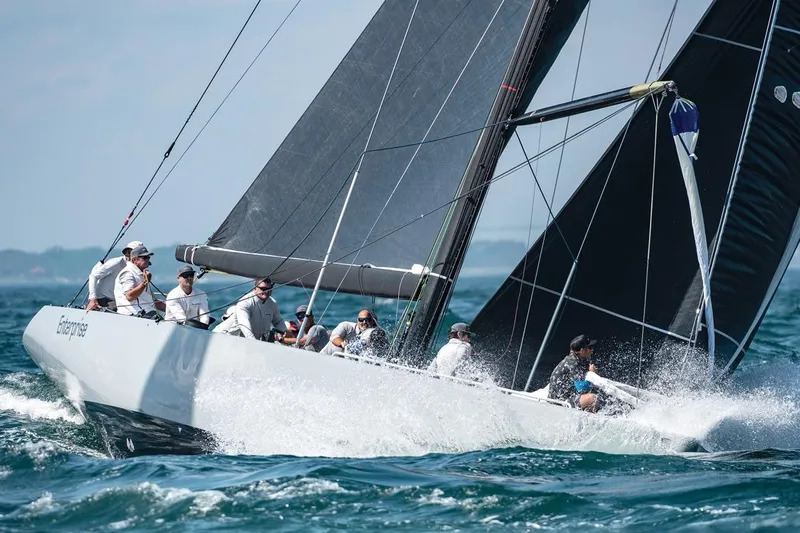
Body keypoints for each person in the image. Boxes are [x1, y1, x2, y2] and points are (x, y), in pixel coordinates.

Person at [213, 277, 287, 341]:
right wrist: (255, 345)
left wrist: (283, 333)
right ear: (254, 289)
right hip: (222, 338)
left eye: (269, 288)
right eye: (263, 289)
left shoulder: (272, 303)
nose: (266, 291)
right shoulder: (244, 303)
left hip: (245, 342)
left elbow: (278, 321)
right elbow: (245, 328)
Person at [548, 334, 599, 412]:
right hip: (558, 402)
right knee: (592, 399)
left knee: (598, 396)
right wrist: (592, 374)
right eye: (590, 348)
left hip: (569, 396)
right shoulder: (572, 363)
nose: (592, 350)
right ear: (582, 350)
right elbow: (581, 388)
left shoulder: (581, 359)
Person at [86, 240, 142, 311]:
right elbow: (94, 276)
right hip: (106, 299)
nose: (129, 255)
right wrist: (92, 299)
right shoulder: (116, 263)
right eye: (128, 252)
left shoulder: (138, 267)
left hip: (120, 299)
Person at [113, 245, 166, 316]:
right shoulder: (128, 273)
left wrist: (173, 309)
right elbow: (129, 297)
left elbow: (152, 301)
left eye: (148, 257)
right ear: (134, 260)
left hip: (147, 312)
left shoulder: (142, 274)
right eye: (144, 257)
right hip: (133, 315)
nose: (147, 260)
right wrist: (145, 283)